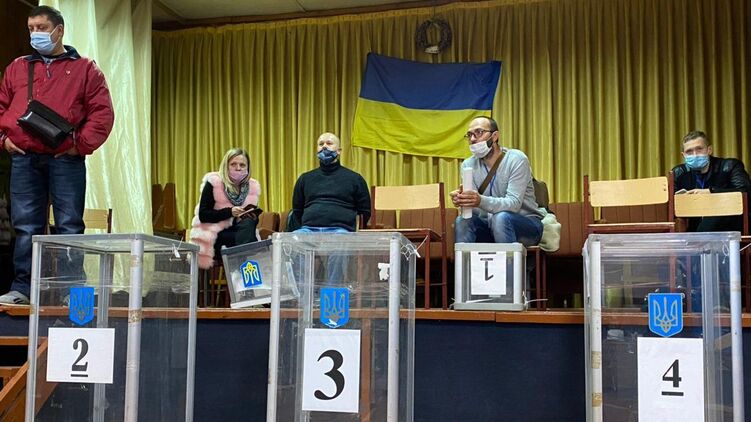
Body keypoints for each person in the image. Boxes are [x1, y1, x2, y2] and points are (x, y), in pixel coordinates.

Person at [0, 6, 114, 305]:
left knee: (70, 225)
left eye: (41, 27)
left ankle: (72, 293)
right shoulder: (17, 67)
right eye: (31, 28)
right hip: (24, 157)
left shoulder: (86, 69)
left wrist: (79, 145)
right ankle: (23, 289)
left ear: (59, 30)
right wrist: (4, 141)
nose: (34, 34)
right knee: (25, 226)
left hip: (66, 159)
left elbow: (102, 113)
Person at [451, 116, 545, 246]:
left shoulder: (516, 159)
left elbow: (513, 204)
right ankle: (464, 260)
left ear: (494, 136)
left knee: (501, 218)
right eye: (469, 135)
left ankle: (507, 260)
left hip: (526, 223)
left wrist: (480, 200)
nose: (472, 139)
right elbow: (475, 211)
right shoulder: (468, 165)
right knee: (462, 221)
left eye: (479, 132)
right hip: (490, 225)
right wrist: (464, 201)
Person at [191, 148, 261, 269]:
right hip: (215, 233)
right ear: (226, 166)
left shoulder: (252, 187)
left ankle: (240, 272)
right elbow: (203, 215)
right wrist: (229, 212)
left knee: (249, 223)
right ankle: (242, 273)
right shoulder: (214, 183)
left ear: (248, 168)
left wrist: (249, 215)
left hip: (241, 231)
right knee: (249, 243)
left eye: (242, 165)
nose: (238, 168)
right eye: (233, 164)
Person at [291, 132, 371, 233]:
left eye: (329, 143)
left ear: (339, 151)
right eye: (321, 144)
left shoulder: (355, 179)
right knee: (290, 239)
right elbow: (297, 211)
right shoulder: (304, 179)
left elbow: (365, 212)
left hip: (341, 231)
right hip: (308, 230)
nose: (324, 146)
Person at [672, 130, 751, 232]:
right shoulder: (678, 172)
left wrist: (711, 192)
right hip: (695, 227)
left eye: (699, 149)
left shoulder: (730, 166)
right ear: (683, 155)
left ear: (709, 150)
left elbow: (745, 192)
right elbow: (670, 206)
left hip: (730, 225)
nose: (695, 155)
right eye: (689, 152)